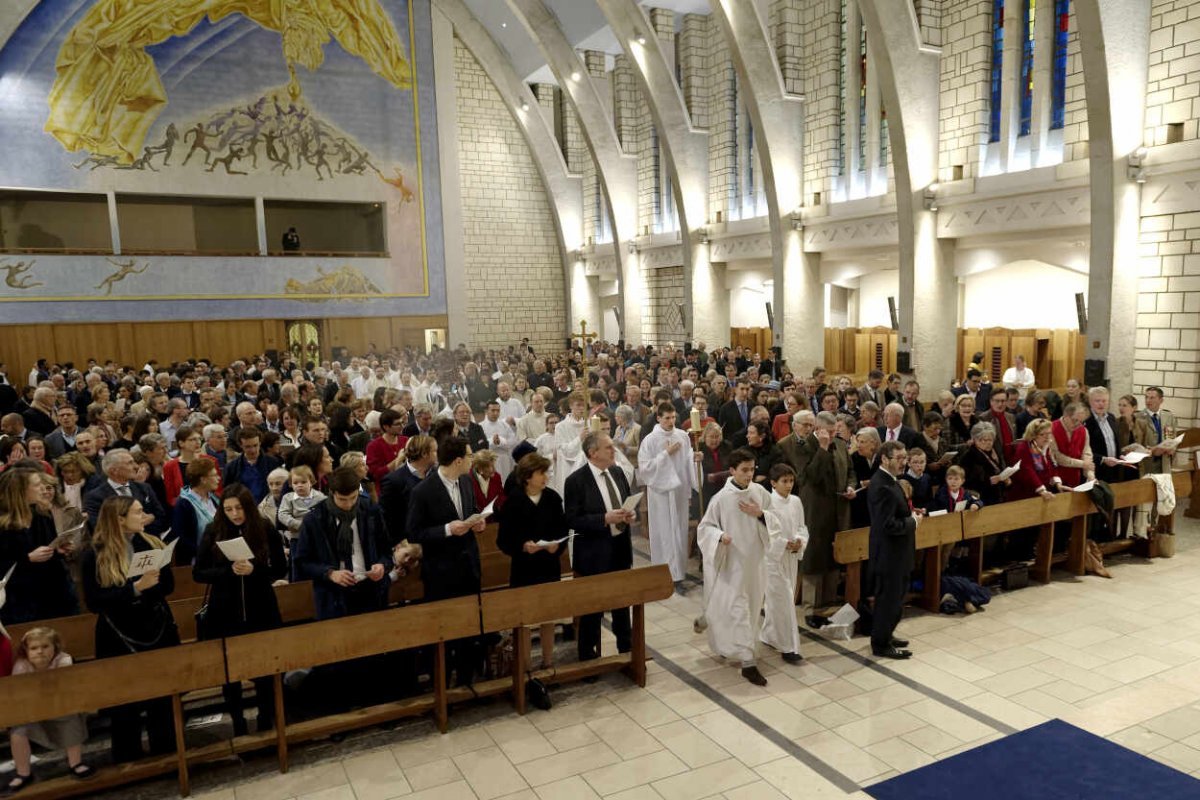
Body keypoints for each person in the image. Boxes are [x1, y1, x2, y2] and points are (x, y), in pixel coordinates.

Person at [82, 496, 179, 762]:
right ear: (119, 519)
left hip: (154, 626)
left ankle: (167, 749)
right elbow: (94, 602)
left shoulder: (150, 542)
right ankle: (128, 756)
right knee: (124, 699)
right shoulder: (95, 554)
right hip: (118, 634)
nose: (144, 515)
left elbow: (168, 585)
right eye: (138, 512)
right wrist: (135, 588)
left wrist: (149, 586)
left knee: (162, 696)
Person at [193, 484, 287, 735]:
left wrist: (255, 570)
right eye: (228, 509)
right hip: (225, 609)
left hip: (261, 606)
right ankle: (238, 722)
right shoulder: (214, 531)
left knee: (266, 667)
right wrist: (227, 571)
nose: (234, 514)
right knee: (230, 673)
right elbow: (199, 573)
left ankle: (266, 718)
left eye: (239, 508)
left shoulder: (264, 528)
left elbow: (280, 569)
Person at [405, 437, 485, 686]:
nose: (472, 461)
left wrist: (476, 522)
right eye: (470, 456)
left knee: (469, 629)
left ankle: (466, 680)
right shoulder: (423, 490)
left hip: (468, 566)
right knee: (444, 632)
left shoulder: (465, 481)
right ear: (459, 460)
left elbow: (469, 512)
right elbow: (414, 533)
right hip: (441, 572)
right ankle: (441, 683)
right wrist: (448, 529)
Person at [696, 448, 773, 685]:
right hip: (732, 563)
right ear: (732, 471)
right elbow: (705, 528)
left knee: (750, 607)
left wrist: (761, 515)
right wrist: (719, 536)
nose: (749, 475)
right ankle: (748, 662)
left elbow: (776, 519)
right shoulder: (721, 499)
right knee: (738, 608)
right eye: (744, 470)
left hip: (755, 562)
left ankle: (710, 621)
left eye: (752, 469)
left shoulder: (760, 492)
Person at [564, 432, 637, 661]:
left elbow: (624, 502)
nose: (613, 450)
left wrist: (629, 514)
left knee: (622, 604)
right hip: (594, 553)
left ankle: (626, 650)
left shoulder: (617, 472)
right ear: (592, 453)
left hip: (619, 547)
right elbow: (572, 520)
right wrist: (603, 519)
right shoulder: (575, 481)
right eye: (608, 447)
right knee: (592, 609)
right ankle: (587, 656)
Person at [497, 453, 566, 670]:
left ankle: (548, 661)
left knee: (548, 617)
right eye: (541, 473)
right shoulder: (513, 502)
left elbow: (562, 529)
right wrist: (523, 546)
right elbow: (503, 540)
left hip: (548, 565)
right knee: (524, 620)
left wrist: (557, 545)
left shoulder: (553, 498)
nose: (546, 476)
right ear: (528, 476)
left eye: (546, 472)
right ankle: (525, 666)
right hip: (524, 568)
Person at [294, 467, 392, 620]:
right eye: (342, 499)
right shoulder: (315, 519)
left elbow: (386, 551)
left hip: (370, 591)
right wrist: (330, 573)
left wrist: (382, 566)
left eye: (353, 498)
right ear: (332, 493)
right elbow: (302, 562)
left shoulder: (371, 511)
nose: (349, 504)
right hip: (333, 596)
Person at [5, 627, 93, 793]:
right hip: (31, 708)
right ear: (26, 651)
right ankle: (23, 772)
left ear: (56, 647)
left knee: (71, 720)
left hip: (59, 704)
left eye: (45, 647)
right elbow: (19, 691)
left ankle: (76, 763)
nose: (40, 652)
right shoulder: (22, 665)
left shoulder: (63, 660)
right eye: (34, 648)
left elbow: (64, 684)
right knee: (18, 731)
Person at [0, 468, 78, 624]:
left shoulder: (41, 516)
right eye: (37, 485)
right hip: (19, 600)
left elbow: (48, 550)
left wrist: (59, 550)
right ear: (21, 490)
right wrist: (27, 559)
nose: (43, 489)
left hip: (50, 595)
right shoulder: (3, 525)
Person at [638, 403, 700, 590]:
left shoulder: (682, 436)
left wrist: (695, 458)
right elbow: (645, 468)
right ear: (658, 418)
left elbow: (688, 460)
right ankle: (663, 573)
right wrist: (666, 454)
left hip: (679, 491)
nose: (671, 421)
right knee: (664, 533)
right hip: (661, 494)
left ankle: (679, 575)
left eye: (673, 417)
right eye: (667, 418)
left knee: (679, 532)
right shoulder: (650, 440)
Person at [800, 412, 854, 628]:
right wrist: (822, 448)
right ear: (818, 429)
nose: (833, 436)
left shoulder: (840, 445)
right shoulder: (805, 447)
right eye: (829, 432)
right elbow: (811, 476)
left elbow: (850, 470)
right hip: (816, 511)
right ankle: (810, 609)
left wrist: (851, 485)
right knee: (814, 558)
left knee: (834, 556)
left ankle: (829, 605)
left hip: (838, 509)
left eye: (835, 432)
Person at [867, 441, 915, 660]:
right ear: (885, 459)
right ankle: (880, 643)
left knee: (896, 598)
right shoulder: (882, 485)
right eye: (899, 458)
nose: (903, 462)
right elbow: (887, 525)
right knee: (888, 599)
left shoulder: (891, 480)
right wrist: (912, 522)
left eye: (905, 457)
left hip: (898, 553)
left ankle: (887, 634)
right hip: (889, 554)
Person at [761, 464, 807, 664]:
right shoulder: (767, 503)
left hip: (791, 557)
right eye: (784, 481)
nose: (789, 485)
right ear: (773, 483)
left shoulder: (796, 501)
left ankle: (770, 635)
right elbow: (765, 533)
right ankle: (789, 648)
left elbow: (801, 526)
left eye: (791, 481)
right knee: (784, 601)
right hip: (773, 559)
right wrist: (783, 543)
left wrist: (799, 541)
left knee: (779, 602)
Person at [379, 434, 435, 546]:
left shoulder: (436, 475)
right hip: (409, 544)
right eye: (435, 451)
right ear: (424, 454)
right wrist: (400, 542)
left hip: (435, 539)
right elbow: (389, 518)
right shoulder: (393, 480)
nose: (438, 455)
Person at [170, 458, 221, 565]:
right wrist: (205, 553)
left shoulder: (215, 499)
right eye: (214, 475)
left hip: (219, 556)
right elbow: (181, 539)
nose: (219, 478)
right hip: (196, 561)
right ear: (203, 479)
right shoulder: (183, 504)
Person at [222, 427, 282, 504]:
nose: (253, 450)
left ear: (260, 443)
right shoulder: (232, 467)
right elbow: (228, 492)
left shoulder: (273, 463)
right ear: (241, 445)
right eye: (248, 447)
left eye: (255, 445)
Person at [957, 422, 1009, 506]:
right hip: (980, 499)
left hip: (998, 495)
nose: (988, 443)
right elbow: (966, 483)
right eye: (984, 440)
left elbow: (1000, 469)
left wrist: (1006, 480)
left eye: (991, 439)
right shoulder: (969, 457)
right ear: (975, 440)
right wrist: (989, 481)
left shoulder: (995, 452)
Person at [365, 408, 407, 492]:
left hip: (405, 488)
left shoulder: (405, 440)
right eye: (397, 424)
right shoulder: (373, 446)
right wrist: (397, 460)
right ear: (386, 427)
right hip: (386, 490)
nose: (402, 426)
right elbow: (375, 474)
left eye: (402, 423)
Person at [480, 401, 518, 481]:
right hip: (488, 461)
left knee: (504, 482)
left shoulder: (505, 425)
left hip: (504, 459)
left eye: (498, 411)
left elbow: (513, 441)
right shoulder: (480, 426)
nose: (496, 413)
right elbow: (479, 444)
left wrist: (500, 441)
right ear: (486, 411)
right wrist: (492, 442)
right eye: (493, 410)